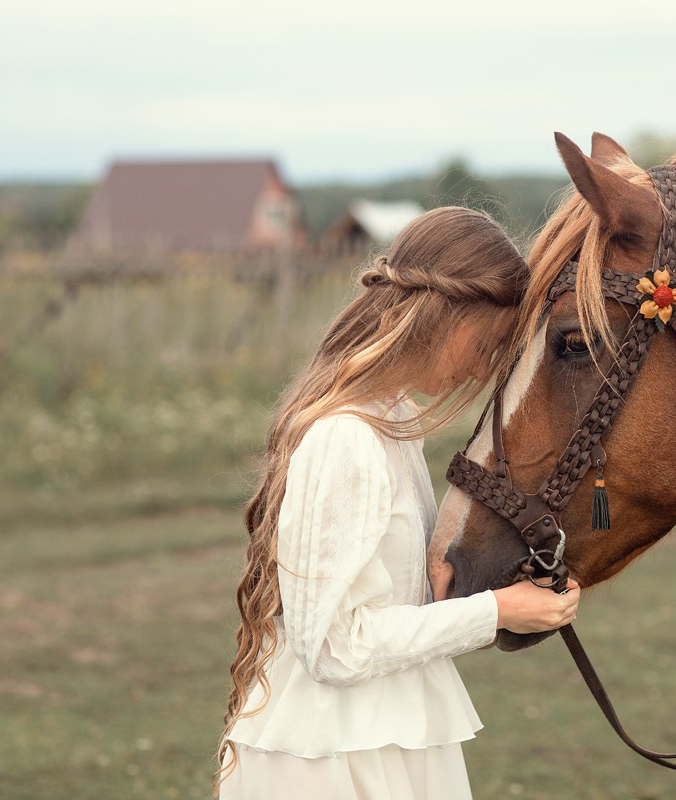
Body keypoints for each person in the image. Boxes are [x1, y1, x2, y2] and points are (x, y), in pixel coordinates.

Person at [216, 206, 580, 799]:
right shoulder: (347, 437)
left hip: (385, 734)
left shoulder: (395, 418)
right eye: (488, 343)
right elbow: (332, 649)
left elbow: (384, 597)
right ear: (443, 317)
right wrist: (495, 612)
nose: (487, 366)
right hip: (334, 760)